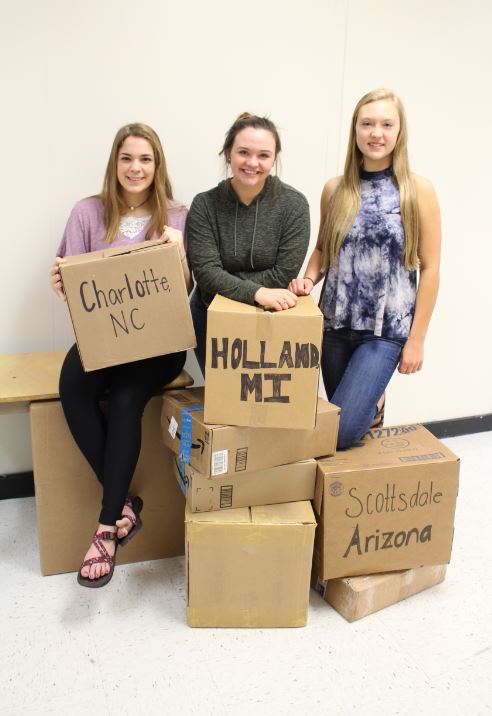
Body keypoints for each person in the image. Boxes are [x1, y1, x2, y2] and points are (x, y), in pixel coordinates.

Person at [50, 123, 192, 587]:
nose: (135, 168)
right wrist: (62, 283)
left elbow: (188, 287)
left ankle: (107, 528)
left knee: (129, 399)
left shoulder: (177, 216)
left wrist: (181, 255)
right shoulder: (87, 212)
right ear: (115, 162)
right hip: (108, 340)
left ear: (158, 166)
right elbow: (78, 286)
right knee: (72, 386)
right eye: (127, 158)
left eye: (145, 159)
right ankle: (127, 501)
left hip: (158, 347)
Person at [289, 89, 441, 449]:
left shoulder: (417, 190)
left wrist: (416, 340)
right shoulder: (336, 189)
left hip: (385, 331)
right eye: (367, 123)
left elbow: (431, 268)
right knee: (345, 426)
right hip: (335, 325)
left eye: (387, 124)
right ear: (355, 130)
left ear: (399, 131)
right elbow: (325, 248)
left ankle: (377, 401)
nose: (377, 133)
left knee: (341, 433)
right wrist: (308, 279)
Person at [187, 112, 311, 375]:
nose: (252, 162)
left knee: (259, 406)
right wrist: (258, 292)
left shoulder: (294, 205)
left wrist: (227, 280)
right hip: (209, 314)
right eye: (243, 152)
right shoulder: (204, 205)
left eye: (263, 155)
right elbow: (206, 273)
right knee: (223, 400)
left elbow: (283, 273)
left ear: (274, 158)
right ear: (228, 153)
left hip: (269, 317)